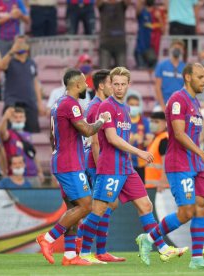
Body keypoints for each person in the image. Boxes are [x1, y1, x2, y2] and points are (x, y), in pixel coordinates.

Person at [79, 67, 187, 265]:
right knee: (99, 210)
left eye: (123, 84)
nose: (119, 88)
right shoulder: (105, 107)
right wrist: (139, 152)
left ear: (129, 85)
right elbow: (111, 139)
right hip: (110, 166)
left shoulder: (126, 108)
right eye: (116, 84)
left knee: (146, 204)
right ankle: (84, 252)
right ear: (110, 85)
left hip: (126, 168)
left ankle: (161, 248)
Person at [137, 63, 204, 270]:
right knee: (186, 212)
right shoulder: (177, 100)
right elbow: (179, 133)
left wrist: (200, 157)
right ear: (188, 77)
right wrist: (203, 153)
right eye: (200, 77)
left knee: (201, 207)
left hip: (196, 163)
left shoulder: (195, 102)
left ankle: (197, 259)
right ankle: (148, 238)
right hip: (180, 163)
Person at [36, 69, 110, 266]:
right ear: (77, 85)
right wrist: (102, 120)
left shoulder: (57, 104)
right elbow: (86, 130)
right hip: (69, 164)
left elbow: (53, 138)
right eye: (85, 83)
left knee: (73, 208)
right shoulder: (71, 104)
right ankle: (48, 238)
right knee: (86, 205)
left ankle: (69, 255)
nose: (87, 86)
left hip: (62, 160)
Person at [78, 69, 125, 262]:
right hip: (96, 161)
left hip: (97, 160)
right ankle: (83, 240)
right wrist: (100, 168)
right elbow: (95, 141)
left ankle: (98, 249)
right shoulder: (98, 106)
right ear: (101, 86)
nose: (115, 86)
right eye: (110, 82)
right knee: (104, 205)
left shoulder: (98, 105)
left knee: (106, 205)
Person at [0, 36, 44, 133]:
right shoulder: (10, 61)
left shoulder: (31, 63)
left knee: (33, 132)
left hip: (30, 102)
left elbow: (35, 82)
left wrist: (40, 103)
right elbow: (1, 65)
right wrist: (12, 51)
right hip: (12, 101)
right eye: (18, 43)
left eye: (22, 42)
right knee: (10, 132)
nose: (20, 45)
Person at [0, 107, 44, 187]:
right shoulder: (9, 134)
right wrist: (5, 118)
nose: (18, 119)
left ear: (25, 118)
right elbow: (1, 132)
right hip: (16, 177)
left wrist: (40, 171)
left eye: (21, 117)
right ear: (11, 119)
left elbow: (33, 154)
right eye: (15, 117)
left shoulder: (28, 135)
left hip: (33, 175)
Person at [126, 94, 152, 182]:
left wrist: (144, 141)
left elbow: (149, 141)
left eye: (136, 105)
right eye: (131, 105)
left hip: (141, 163)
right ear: (126, 105)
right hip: (126, 162)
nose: (134, 107)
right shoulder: (123, 120)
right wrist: (131, 140)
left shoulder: (144, 121)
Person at [154, 40, 186, 110]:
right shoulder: (162, 65)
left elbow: (186, 89)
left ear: (183, 51)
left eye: (179, 48)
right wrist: (162, 106)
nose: (177, 50)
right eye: (175, 47)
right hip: (162, 103)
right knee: (156, 116)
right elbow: (157, 87)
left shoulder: (185, 68)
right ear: (171, 49)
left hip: (178, 105)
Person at [98, 0, 130, 69]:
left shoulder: (121, 5)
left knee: (122, 74)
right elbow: (98, 2)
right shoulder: (103, 5)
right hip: (105, 43)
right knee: (103, 74)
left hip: (120, 43)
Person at [134, 0, 164, 71]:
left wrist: (159, 18)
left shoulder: (157, 14)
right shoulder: (142, 12)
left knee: (155, 67)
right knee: (141, 71)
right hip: (140, 49)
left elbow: (163, 30)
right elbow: (137, 9)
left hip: (150, 50)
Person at [144, 110, 169, 191]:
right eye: (151, 121)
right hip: (152, 186)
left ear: (165, 123)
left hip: (160, 187)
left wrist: (162, 182)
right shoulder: (156, 138)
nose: (153, 124)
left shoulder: (164, 139)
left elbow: (167, 164)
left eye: (156, 122)